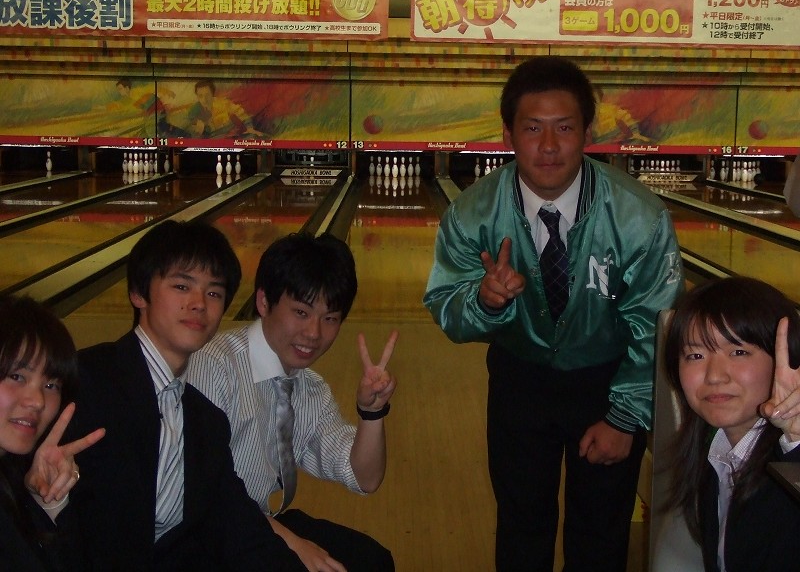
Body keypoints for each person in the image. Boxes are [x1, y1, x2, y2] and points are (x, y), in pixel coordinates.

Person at [423, 55, 684, 571]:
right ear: (508, 134)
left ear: (587, 131)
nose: (548, 145)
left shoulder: (640, 217)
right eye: (532, 128)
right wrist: (485, 302)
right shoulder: (471, 214)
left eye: (564, 128)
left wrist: (625, 418)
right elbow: (445, 305)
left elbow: (656, 326)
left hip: (609, 382)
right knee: (521, 527)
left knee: (601, 533)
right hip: (519, 384)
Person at [60, 220, 302, 570]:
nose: (199, 303)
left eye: (214, 293)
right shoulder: (84, 381)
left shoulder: (206, 422)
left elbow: (241, 531)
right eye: (181, 286)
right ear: (138, 293)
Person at [188, 232, 397, 572]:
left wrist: (372, 413)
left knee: (372, 561)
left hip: (258, 522)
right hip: (201, 532)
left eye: (330, 318)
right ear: (263, 302)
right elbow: (205, 493)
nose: (314, 333)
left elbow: (365, 478)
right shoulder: (215, 367)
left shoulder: (309, 389)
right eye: (301, 312)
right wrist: (292, 542)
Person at [663, 276, 800, 572]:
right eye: (695, 355)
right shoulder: (716, 453)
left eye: (738, 352)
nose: (714, 376)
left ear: (785, 358)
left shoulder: (791, 454)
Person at [0, 295, 104, 572]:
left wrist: (49, 502)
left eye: (51, 385)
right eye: (17, 376)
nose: (38, 401)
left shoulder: (15, 477)